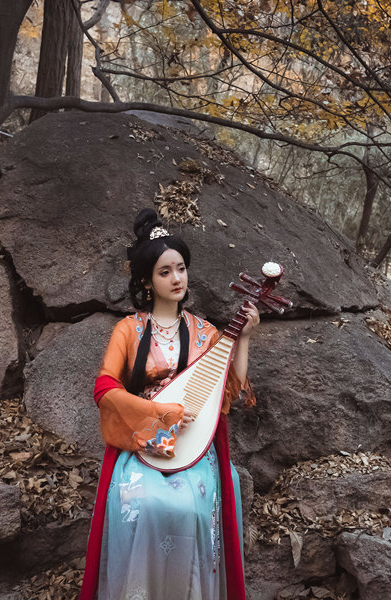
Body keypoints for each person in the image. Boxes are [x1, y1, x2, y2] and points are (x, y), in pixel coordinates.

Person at [79, 208, 258, 600]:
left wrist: (244, 338)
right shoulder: (128, 330)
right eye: (165, 272)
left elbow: (230, 395)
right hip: (142, 441)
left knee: (191, 510)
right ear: (147, 281)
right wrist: (156, 413)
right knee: (145, 504)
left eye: (181, 268)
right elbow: (105, 388)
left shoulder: (205, 332)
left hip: (195, 445)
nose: (177, 278)